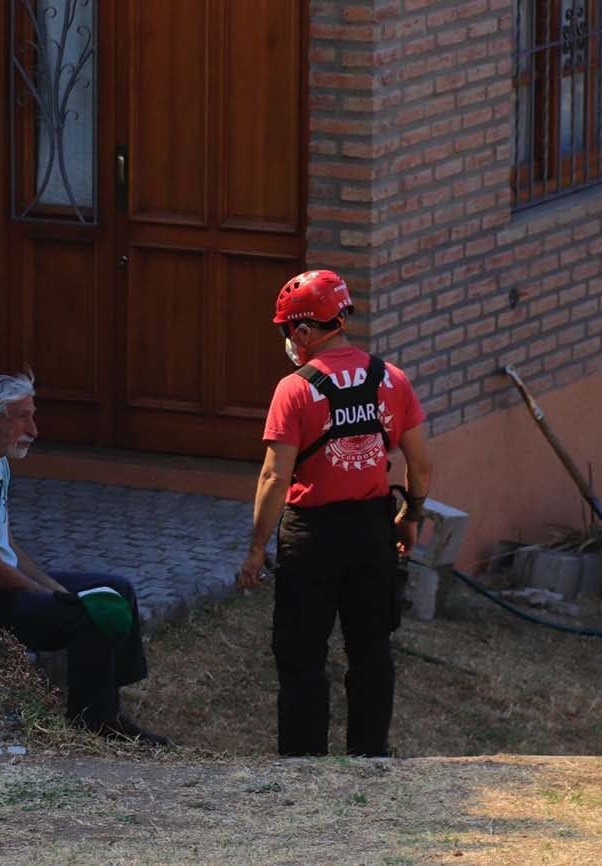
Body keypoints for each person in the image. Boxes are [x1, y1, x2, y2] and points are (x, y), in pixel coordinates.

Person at [235, 269, 431, 758]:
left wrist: (258, 547)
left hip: (312, 538)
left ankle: (304, 768)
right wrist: (411, 514)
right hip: (372, 532)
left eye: (287, 331)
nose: (287, 341)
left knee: (301, 658)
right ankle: (370, 760)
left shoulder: (295, 390)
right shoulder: (392, 379)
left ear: (303, 332)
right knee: (371, 651)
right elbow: (421, 464)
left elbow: (274, 478)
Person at [0, 371, 169, 746]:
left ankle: (111, 700)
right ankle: (93, 722)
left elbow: (7, 546)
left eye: (32, 416)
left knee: (117, 589)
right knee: (88, 616)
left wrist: (52, 587)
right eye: (23, 417)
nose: (33, 429)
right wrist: (49, 596)